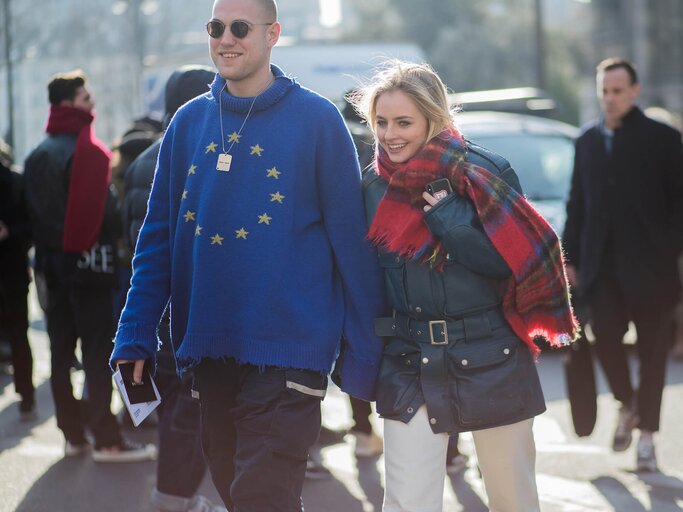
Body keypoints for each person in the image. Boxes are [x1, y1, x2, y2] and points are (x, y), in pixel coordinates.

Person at [109, 0, 386, 510]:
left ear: (273, 33)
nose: (225, 39)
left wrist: (366, 356)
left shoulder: (319, 121)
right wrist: (134, 335)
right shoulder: (187, 124)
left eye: (240, 27)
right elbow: (157, 242)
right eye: (216, 27)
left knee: (263, 497)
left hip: (290, 354)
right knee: (240, 496)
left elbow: (352, 247)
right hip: (208, 351)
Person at [350, 61, 577, 512]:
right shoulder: (371, 184)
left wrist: (451, 222)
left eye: (403, 122)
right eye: (381, 122)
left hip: (492, 352)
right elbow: (363, 273)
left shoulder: (484, 171)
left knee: (513, 499)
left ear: (433, 118)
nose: (390, 134)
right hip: (410, 359)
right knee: (406, 501)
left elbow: (515, 262)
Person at [22, 69, 156, 462]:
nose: (92, 103)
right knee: (98, 352)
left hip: (51, 268)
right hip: (90, 268)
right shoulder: (91, 154)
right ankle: (106, 438)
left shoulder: (35, 156)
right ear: (67, 104)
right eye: (85, 98)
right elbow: (107, 217)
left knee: (60, 353)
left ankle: (73, 435)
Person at [563, 57, 683, 472]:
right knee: (606, 338)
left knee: (653, 355)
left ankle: (647, 438)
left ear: (634, 91)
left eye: (618, 91)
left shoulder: (663, 139)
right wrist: (570, 259)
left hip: (653, 270)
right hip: (602, 270)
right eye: (604, 91)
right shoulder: (587, 142)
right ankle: (627, 404)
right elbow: (577, 203)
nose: (610, 99)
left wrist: (669, 250)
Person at [122, 64, 226, 512]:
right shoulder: (193, 154)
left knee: (172, 413)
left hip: (155, 310)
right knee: (193, 416)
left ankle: (172, 496)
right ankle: (175, 499)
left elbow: (136, 240)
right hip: (188, 312)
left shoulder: (143, 159)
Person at [0, 137, 36, 421]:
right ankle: (26, 393)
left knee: (19, 334)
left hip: (12, 271)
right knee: (19, 334)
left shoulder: (15, 182)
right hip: (14, 271)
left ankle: (26, 393)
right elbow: (30, 228)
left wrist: (9, 232)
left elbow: (28, 227)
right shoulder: (17, 181)